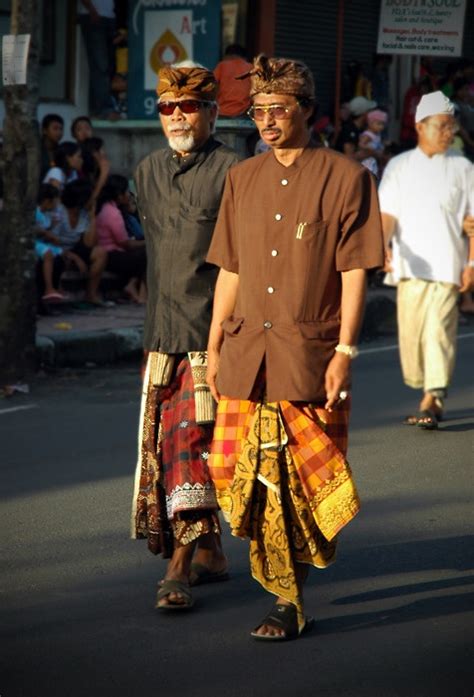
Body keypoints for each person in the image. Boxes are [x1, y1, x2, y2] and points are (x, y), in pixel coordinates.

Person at [205, 54, 384, 641]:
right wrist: (212, 348)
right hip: (244, 353)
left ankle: (289, 599)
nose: (266, 121)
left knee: (298, 484)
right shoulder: (242, 178)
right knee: (247, 478)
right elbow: (229, 271)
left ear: (306, 110)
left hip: (308, 353)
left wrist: (346, 352)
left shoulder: (347, 177)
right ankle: (279, 585)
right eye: (257, 111)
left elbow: (355, 271)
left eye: (277, 110)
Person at [130, 62, 241, 611]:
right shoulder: (146, 171)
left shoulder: (234, 171)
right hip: (160, 337)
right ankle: (213, 554)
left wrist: (226, 344)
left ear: (212, 112)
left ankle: (178, 568)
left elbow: (240, 266)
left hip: (210, 338)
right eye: (167, 108)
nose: (176, 117)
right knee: (164, 450)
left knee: (188, 449)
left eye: (188, 107)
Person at [379, 91, 474, 429]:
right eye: (442, 126)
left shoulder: (463, 168)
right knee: (413, 336)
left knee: (438, 333)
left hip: (448, 264)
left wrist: (471, 264)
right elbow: (387, 214)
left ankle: (432, 398)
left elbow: (473, 223)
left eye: (452, 126)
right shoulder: (400, 166)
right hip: (409, 266)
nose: (449, 132)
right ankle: (425, 386)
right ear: (420, 126)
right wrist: (383, 245)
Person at [52, 179, 109, 305]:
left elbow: (89, 243)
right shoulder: (59, 211)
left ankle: (91, 294)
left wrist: (92, 217)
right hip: (56, 247)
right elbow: (52, 239)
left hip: (75, 247)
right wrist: (74, 257)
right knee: (61, 259)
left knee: (101, 252)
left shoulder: (83, 214)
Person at [96, 175, 146, 303]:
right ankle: (139, 291)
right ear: (119, 195)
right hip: (112, 255)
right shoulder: (113, 213)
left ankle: (135, 287)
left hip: (114, 252)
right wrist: (148, 243)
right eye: (126, 192)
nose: (129, 195)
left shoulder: (108, 208)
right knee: (147, 253)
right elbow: (126, 244)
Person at [77, 0, 120, 120]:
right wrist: (91, 9)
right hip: (93, 15)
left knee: (109, 66)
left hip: (109, 16)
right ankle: (104, 110)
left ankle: (97, 108)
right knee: (100, 65)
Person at [35, 183, 67, 302]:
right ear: (47, 201)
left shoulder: (47, 215)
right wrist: (46, 233)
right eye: (55, 201)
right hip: (35, 242)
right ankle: (49, 287)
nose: (57, 204)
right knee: (48, 254)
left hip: (42, 242)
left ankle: (58, 285)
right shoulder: (36, 212)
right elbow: (34, 228)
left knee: (62, 253)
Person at [213, 44, 252, 117]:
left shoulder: (222, 66)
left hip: (221, 112)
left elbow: (211, 87)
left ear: (227, 55)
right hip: (244, 114)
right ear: (244, 57)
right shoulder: (250, 67)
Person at [335, 95, 377, 161]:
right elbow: (349, 158)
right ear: (364, 113)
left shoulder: (361, 129)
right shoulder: (349, 130)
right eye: (369, 111)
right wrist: (371, 153)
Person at [359, 109, 388, 178]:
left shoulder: (377, 135)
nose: (381, 127)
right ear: (370, 123)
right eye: (378, 124)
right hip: (367, 160)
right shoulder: (368, 135)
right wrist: (369, 148)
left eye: (382, 124)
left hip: (374, 160)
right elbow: (361, 145)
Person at [40, 114, 64, 180]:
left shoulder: (62, 150)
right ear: (44, 130)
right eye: (55, 128)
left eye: (61, 129)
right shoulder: (36, 150)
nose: (59, 132)